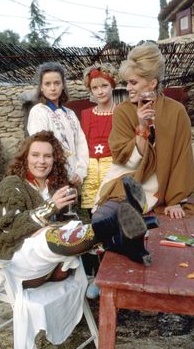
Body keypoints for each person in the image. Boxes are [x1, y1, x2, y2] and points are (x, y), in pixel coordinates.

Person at [0, 130, 150, 348]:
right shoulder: (13, 184)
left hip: (53, 265)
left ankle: (122, 232)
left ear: (54, 159)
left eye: (47, 156)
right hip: (18, 262)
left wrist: (62, 216)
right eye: (35, 155)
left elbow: (68, 223)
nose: (41, 161)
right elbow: (5, 229)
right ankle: (119, 226)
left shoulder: (53, 186)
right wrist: (49, 209)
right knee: (48, 235)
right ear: (25, 157)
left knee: (71, 227)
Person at [93, 42, 194, 222]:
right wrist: (142, 128)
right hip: (126, 180)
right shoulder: (122, 111)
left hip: (158, 187)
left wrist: (175, 200)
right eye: (127, 82)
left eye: (133, 82)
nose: (127, 88)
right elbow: (126, 162)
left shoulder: (177, 111)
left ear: (152, 83)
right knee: (104, 218)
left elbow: (182, 159)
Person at [80, 63, 117, 299]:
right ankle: (94, 275)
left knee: (111, 220)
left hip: (112, 169)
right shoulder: (85, 114)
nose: (100, 91)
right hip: (91, 170)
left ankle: (112, 272)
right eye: (95, 87)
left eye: (104, 85)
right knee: (93, 223)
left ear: (112, 85)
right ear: (90, 90)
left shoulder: (122, 111)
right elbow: (82, 144)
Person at [27, 61, 89, 186]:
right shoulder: (39, 112)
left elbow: (81, 144)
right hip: (52, 177)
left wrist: (80, 172)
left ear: (63, 86)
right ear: (41, 87)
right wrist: (65, 173)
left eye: (57, 83)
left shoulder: (70, 114)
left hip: (75, 177)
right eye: (47, 84)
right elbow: (42, 147)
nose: (53, 88)